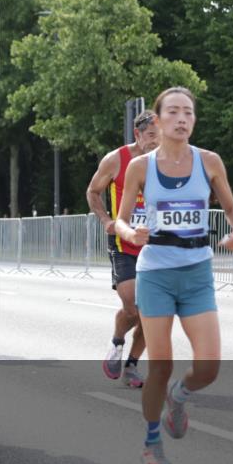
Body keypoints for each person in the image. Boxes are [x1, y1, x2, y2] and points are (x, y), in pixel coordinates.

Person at [114, 87, 233, 464]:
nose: (182, 118)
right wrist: (128, 232)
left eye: (188, 112)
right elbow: (121, 218)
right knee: (161, 364)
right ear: (157, 120)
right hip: (155, 273)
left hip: (197, 271)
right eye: (173, 112)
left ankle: (181, 395)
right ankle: (152, 440)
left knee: (208, 366)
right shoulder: (141, 166)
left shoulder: (209, 162)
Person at [86, 110, 160, 388]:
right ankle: (117, 342)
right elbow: (93, 191)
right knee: (134, 309)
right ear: (138, 135)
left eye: (161, 136)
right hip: (124, 244)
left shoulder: (170, 162)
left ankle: (131, 365)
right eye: (151, 136)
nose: (157, 142)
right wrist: (106, 220)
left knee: (152, 313)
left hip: (158, 248)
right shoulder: (116, 159)